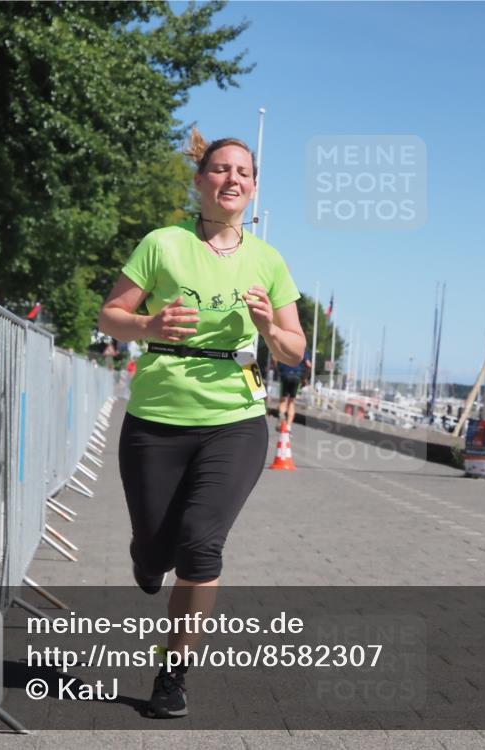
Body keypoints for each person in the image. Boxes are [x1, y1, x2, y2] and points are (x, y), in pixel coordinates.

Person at [97, 127, 305, 718]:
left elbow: (294, 349)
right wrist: (149, 328)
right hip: (157, 417)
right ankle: (145, 552)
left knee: (201, 546)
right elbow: (111, 315)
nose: (232, 179)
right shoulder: (162, 244)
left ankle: (173, 673)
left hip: (234, 420)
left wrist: (268, 328)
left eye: (243, 172)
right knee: (159, 546)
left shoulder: (269, 261)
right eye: (220, 170)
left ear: (254, 188)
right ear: (200, 181)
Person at [276, 350, 311, 431]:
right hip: (297, 377)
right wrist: (305, 378)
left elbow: (274, 359)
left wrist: (278, 371)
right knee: (291, 402)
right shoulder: (303, 350)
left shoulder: (284, 346)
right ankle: (288, 426)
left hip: (285, 375)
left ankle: (281, 419)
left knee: (283, 400)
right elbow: (308, 365)